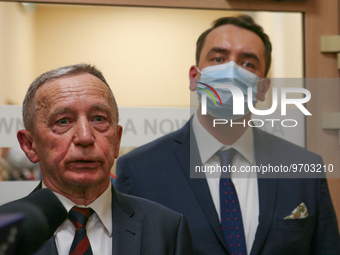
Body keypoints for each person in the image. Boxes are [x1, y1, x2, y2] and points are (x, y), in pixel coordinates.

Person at [115, 15, 340, 255]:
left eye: (248, 64)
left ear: (262, 88)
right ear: (194, 77)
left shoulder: (304, 168)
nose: (231, 71)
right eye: (218, 59)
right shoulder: (140, 170)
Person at [17, 64, 194, 255]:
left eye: (99, 119)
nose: (85, 137)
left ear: (117, 140)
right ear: (29, 144)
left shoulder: (166, 229)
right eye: (63, 121)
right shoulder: (7, 232)